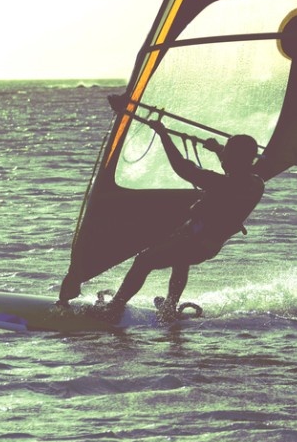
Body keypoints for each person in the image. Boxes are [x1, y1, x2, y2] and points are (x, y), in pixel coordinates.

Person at [94, 118, 265, 323]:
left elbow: (183, 168)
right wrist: (219, 149)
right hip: (206, 243)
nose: (224, 155)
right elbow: (237, 168)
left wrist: (163, 134)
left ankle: (114, 308)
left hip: (195, 240)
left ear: (236, 158)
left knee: (144, 261)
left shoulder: (223, 184)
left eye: (227, 151)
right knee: (180, 260)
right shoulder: (255, 183)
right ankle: (170, 306)